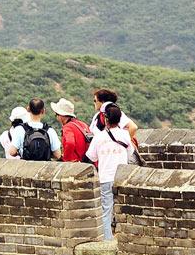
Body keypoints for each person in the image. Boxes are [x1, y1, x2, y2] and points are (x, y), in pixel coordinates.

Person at [85, 104, 133, 241]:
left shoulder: (99, 137)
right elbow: (130, 153)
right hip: (122, 177)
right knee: (123, 209)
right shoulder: (125, 135)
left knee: (106, 210)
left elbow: (91, 157)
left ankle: (107, 239)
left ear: (106, 119)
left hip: (105, 177)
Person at [50, 98, 91, 163]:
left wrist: (65, 158)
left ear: (61, 115)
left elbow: (70, 143)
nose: (56, 117)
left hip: (74, 162)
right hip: (85, 161)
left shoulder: (67, 127)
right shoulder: (83, 124)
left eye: (56, 114)